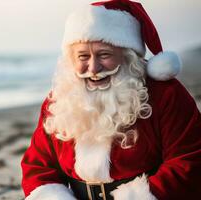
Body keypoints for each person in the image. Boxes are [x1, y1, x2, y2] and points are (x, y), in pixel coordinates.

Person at [20, 0, 201, 199]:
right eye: (83, 56)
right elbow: (38, 167)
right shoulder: (60, 100)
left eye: (104, 55)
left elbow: (189, 159)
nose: (93, 68)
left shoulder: (166, 94)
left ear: (127, 55)